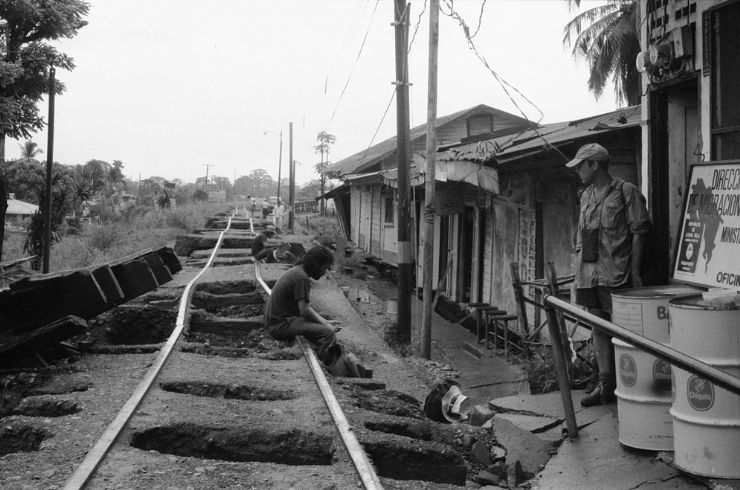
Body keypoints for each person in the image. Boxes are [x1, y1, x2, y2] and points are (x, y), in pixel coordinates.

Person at [567, 143, 650, 407]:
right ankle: (605, 384)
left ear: (595, 164)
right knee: (598, 327)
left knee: (626, 329)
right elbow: (581, 236)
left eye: (581, 165)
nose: (578, 170)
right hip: (589, 274)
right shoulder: (586, 195)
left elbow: (640, 232)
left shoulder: (626, 192)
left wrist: (635, 272)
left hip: (618, 272)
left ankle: (633, 384)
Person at [264, 246, 339, 362]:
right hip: (280, 325)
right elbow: (304, 311)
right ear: (316, 265)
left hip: (282, 321)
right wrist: (327, 327)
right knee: (328, 334)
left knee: (323, 327)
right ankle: (326, 365)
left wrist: (325, 321)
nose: (325, 273)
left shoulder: (298, 271)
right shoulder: (302, 279)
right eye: (325, 268)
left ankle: (321, 355)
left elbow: (305, 308)